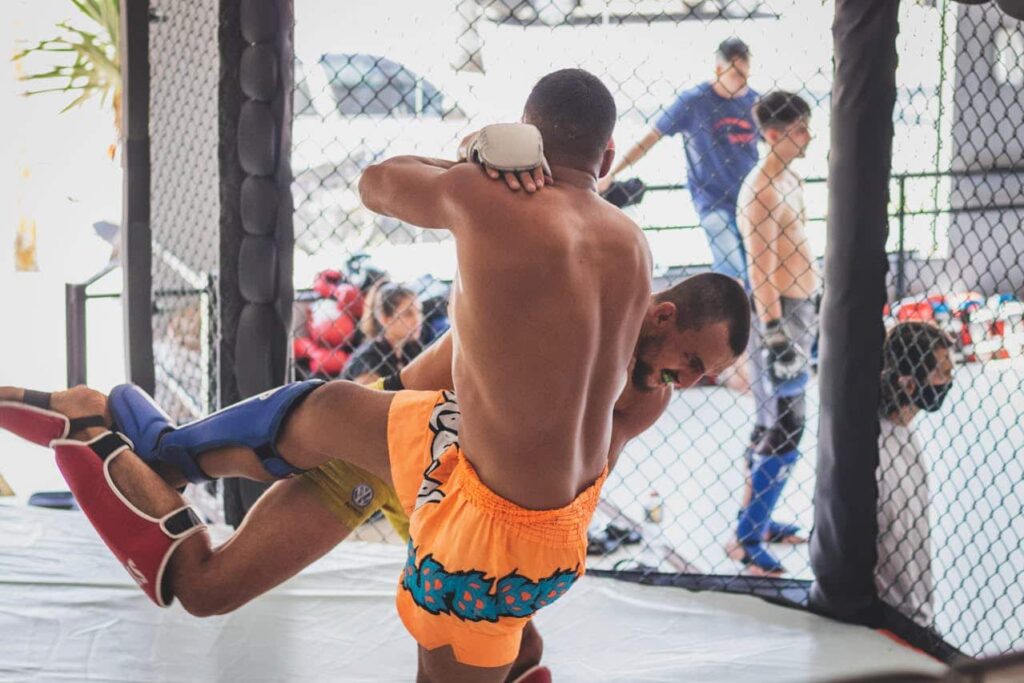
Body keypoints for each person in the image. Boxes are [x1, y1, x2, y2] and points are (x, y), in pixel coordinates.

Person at [0, 70, 749, 681]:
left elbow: (378, 183)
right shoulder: (632, 248)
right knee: (328, 421)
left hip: (463, 498)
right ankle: (139, 437)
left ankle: (119, 434)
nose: (686, 378)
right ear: (610, 156)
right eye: (690, 361)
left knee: (221, 577)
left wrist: (474, 156)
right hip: (445, 466)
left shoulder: (490, 202)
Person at [728, 91, 818, 576]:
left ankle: (755, 523)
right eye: (801, 129)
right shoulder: (759, 190)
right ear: (774, 135)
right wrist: (775, 332)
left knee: (774, 421)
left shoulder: (791, 178)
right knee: (785, 425)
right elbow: (760, 270)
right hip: (778, 318)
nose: (808, 137)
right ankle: (746, 537)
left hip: (803, 311)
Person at [598, 37, 759, 284]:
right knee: (732, 270)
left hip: (751, 198)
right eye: (737, 74)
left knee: (755, 267)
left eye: (746, 75)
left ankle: (754, 317)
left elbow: (776, 138)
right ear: (719, 69)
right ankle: (738, 319)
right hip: (712, 198)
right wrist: (613, 172)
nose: (742, 82)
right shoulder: (694, 101)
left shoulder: (753, 102)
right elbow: (651, 137)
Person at [876, 321, 956, 628]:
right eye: (943, 373)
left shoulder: (902, 434)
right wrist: (918, 622)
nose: (950, 380)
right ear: (910, 384)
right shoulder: (886, 459)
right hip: (901, 619)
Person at [342, 282, 424, 384]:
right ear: (385, 319)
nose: (418, 320)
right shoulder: (370, 357)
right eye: (408, 314)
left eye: (419, 312)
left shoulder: (412, 349)